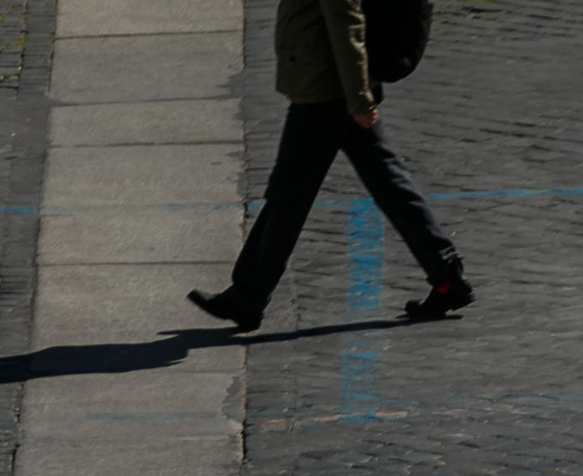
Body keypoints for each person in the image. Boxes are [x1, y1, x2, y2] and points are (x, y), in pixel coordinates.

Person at [187, 0, 471, 333]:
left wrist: (359, 98)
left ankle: (248, 297)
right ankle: (446, 276)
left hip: (328, 91)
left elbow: (346, 21)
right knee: (388, 184)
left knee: (288, 196)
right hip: (337, 86)